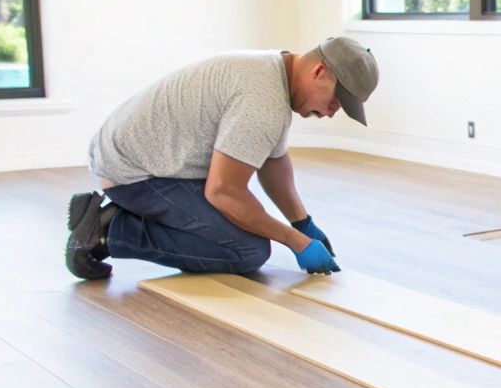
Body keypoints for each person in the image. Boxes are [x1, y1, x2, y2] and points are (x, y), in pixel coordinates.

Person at [64, 36, 379, 280]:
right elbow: (224, 191)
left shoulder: (275, 71)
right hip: (133, 172)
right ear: (319, 71)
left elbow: (274, 160)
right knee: (247, 251)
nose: (330, 113)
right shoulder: (262, 102)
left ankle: (120, 216)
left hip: (145, 156)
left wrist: (303, 222)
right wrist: (296, 241)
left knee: (244, 227)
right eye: (336, 102)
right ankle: (108, 230)